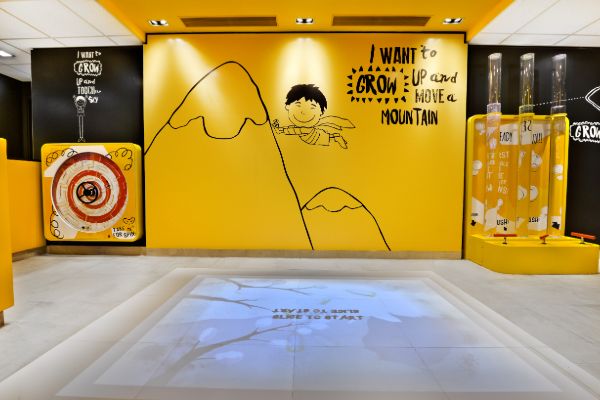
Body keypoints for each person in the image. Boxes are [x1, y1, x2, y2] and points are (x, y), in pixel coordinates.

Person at [273, 84, 354, 149]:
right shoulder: (301, 129)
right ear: (287, 106)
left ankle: (336, 137)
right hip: (313, 136)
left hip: (314, 136)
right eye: (298, 105)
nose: (303, 112)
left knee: (326, 138)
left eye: (312, 107)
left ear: (321, 112)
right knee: (328, 138)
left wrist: (281, 130)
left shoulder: (302, 129)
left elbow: (292, 130)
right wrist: (280, 129)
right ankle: (336, 137)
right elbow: (292, 129)